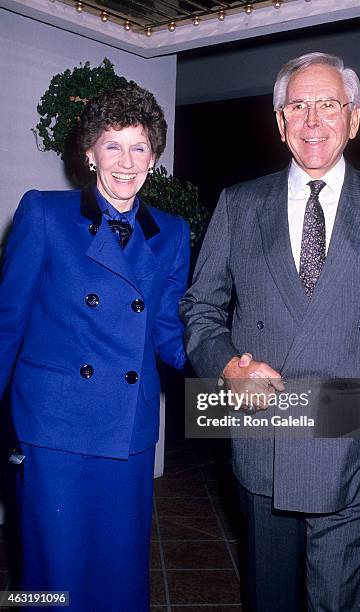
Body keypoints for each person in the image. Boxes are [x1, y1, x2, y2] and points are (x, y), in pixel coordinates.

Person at [180, 52, 360, 611]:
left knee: (336, 600)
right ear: (280, 122)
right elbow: (199, 308)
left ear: (355, 118)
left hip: (356, 432)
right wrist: (227, 369)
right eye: (298, 106)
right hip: (266, 431)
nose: (313, 120)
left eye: (328, 104)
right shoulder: (240, 204)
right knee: (269, 596)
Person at [0, 83, 190, 610]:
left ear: (153, 157)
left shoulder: (171, 233)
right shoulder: (44, 215)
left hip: (127, 430)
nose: (126, 163)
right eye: (113, 146)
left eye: (139, 147)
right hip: (54, 428)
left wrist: (225, 363)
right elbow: (6, 324)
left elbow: (168, 331)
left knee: (119, 570)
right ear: (89, 154)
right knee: (50, 574)